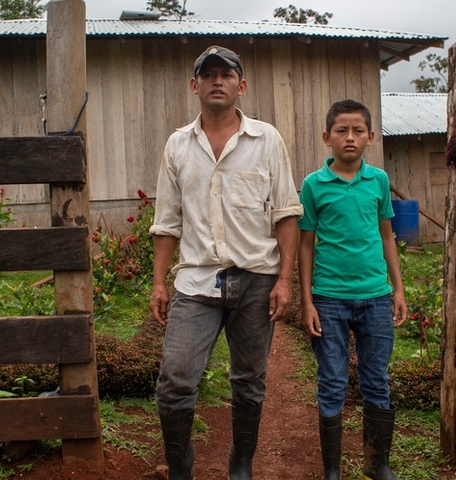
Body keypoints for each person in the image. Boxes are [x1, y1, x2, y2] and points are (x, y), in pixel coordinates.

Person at [149, 45, 303, 480]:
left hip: (257, 279)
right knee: (175, 383)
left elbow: (286, 213)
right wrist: (160, 283)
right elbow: (166, 222)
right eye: (209, 74)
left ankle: (241, 465)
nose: (219, 81)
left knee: (249, 380)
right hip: (196, 282)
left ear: (242, 86)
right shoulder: (178, 145)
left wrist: (285, 280)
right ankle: (181, 470)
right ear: (194, 85)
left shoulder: (266, 139)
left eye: (227, 74)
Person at [297, 99, 408, 480]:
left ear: (371, 137)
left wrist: (398, 289)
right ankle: (332, 469)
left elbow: (387, 236)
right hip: (328, 299)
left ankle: (378, 464)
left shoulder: (378, 180)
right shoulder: (313, 185)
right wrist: (307, 300)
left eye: (358, 130)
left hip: (375, 297)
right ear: (327, 137)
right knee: (332, 381)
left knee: (377, 380)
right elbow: (306, 244)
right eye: (341, 131)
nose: (350, 137)